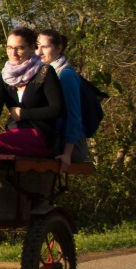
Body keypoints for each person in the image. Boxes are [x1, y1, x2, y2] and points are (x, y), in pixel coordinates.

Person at [0, 27, 62, 157]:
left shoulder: (45, 72)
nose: (13, 53)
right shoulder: (4, 77)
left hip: (40, 134)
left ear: (32, 48)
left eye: (19, 48)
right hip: (14, 131)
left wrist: (23, 114)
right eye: (9, 47)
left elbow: (57, 109)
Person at [36, 28, 90, 171]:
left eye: (45, 47)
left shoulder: (65, 75)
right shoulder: (43, 72)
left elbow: (74, 115)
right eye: (37, 46)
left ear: (59, 48)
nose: (39, 52)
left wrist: (67, 154)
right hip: (53, 137)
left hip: (70, 146)